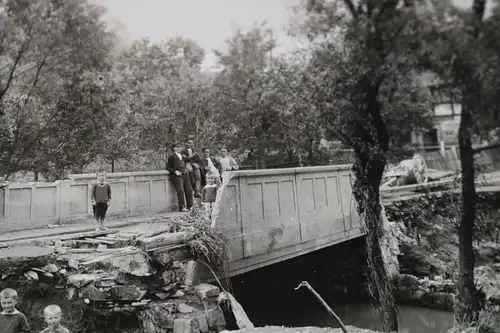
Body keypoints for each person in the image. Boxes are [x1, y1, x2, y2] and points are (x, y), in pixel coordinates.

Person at [167, 143, 194, 212]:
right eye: (177, 147)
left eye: (180, 147)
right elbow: (168, 167)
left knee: (189, 190)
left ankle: (190, 206)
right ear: (174, 148)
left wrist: (187, 167)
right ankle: (182, 207)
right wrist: (175, 171)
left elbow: (189, 160)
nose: (178, 148)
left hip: (185, 174)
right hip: (177, 176)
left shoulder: (183, 155)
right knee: (180, 190)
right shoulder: (171, 156)